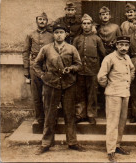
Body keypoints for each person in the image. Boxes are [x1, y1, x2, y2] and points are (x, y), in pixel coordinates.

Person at [33, 23, 85, 155]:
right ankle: (46, 143)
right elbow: (36, 65)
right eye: (56, 32)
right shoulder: (46, 49)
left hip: (69, 85)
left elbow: (79, 65)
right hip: (51, 85)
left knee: (70, 114)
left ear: (66, 34)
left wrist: (71, 69)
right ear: (53, 34)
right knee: (50, 114)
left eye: (61, 32)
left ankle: (72, 142)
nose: (59, 35)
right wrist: (43, 76)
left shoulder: (71, 49)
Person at [97, 36, 135, 162]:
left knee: (122, 122)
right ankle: (111, 150)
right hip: (113, 94)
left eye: (126, 45)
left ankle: (117, 145)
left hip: (125, 93)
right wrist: (110, 86)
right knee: (112, 123)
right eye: (121, 45)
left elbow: (132, 68)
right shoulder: (110, 58)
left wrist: (129, 79)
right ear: (116, 45)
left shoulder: (127, 57)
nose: (124, 48)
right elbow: (101, 77)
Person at [73, 14, 106, 124]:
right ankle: (80, 114)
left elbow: (103, 55)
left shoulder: (97, 39)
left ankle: (91, 114)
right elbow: (72, 55)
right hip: (80, 71)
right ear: (81, 25)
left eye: (88, 23)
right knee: (79, 93)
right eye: (84, 23)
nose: (86, 26)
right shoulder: (77, 39)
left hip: (93, 71)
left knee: (92, 94)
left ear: (91, 25)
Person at [22, 12, 54, 126]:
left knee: (49, 94)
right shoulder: (30, 35)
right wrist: (26, 69)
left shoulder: (51, 36)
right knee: (36, 95)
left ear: (47, 22)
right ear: (36, 21)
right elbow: (26, 52)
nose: (42, 21)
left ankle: (49, 118)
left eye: (44, 20)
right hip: (34, 66)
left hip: (48, 67)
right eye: (40, 19)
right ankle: (39, 118)